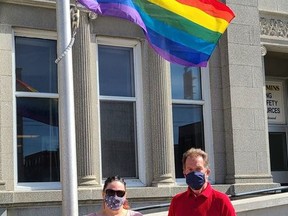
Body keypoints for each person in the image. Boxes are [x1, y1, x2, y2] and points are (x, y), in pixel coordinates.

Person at [168, 148, 236, 216]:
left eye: (198, 169)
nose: (194, 173)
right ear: (185, 173)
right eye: (190, 169)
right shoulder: (177, 201)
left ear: (207, 172)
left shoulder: (222, 200)